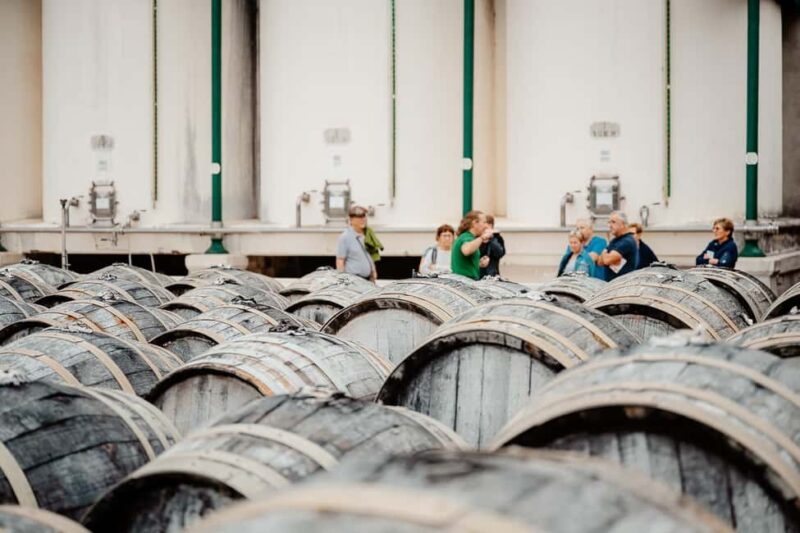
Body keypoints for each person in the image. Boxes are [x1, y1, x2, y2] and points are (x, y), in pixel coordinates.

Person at [335, 205, 377, 282]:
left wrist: (373, 271)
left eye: (364, 216)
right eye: (359, 217)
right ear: (351, 220)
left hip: (368, 279)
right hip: (354, 280)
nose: (363, 219)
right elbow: (340, 260)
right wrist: (342, 280)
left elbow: (369, 255)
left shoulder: (367, 234)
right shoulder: (345, 237)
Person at [595, 211, 638, 281]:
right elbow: (600, 262)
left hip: (622, 285)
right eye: (609, 222)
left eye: (613, 222)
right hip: (611, 284)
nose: (610, 225)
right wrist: (606, 255)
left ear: (623, 224)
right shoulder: (614, 240)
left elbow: (606, 260)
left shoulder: (627, 241)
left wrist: (605, 252)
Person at [451, 210, 493, 280]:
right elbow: (466, 250)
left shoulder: (467, 237)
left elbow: (464, 264)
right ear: (475, 223)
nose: (486, 226)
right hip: (465, 282)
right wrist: (482, 237)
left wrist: (478, 263)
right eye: (484, 222)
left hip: (464, 281)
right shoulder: (466, 237)